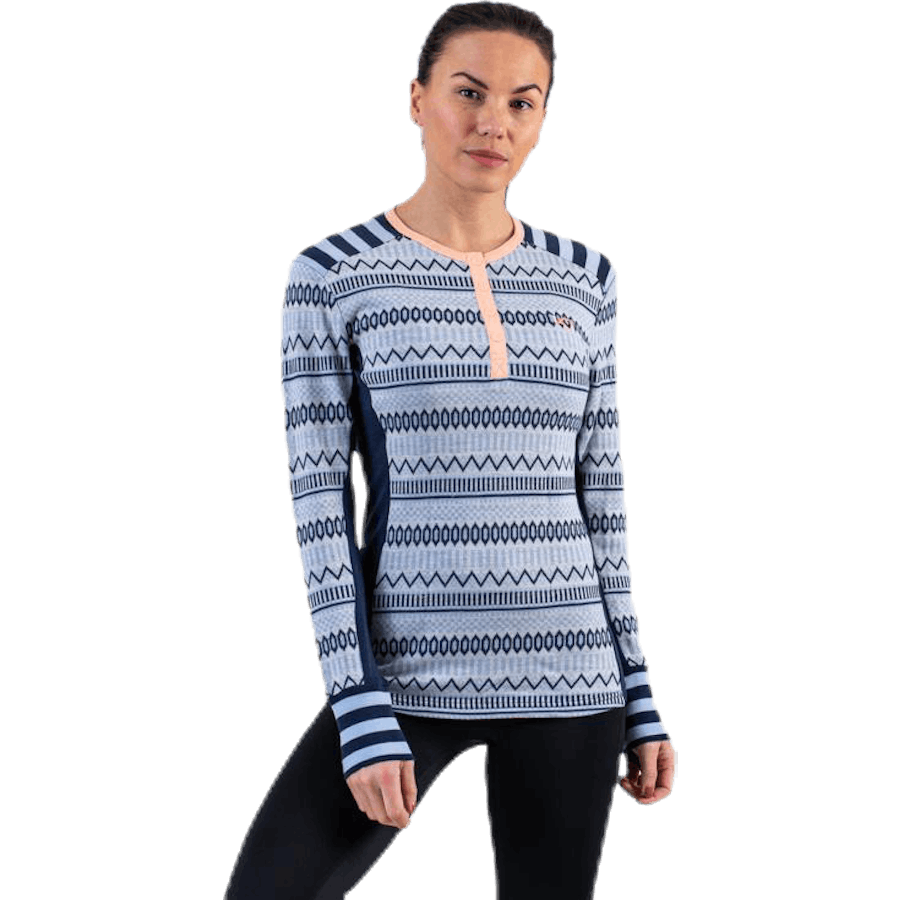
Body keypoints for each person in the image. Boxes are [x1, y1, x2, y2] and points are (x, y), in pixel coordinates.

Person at [223, 3, 676, 897]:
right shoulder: (332, 274)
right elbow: (320, 504)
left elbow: (604, 496)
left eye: (521, 102)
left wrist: (639, 693)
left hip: (572, 681)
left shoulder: (586, 279)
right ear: (417, 100)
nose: (492, 123)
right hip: (404, 678)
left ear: (542, 119)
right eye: (469, 93)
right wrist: (358, 706)